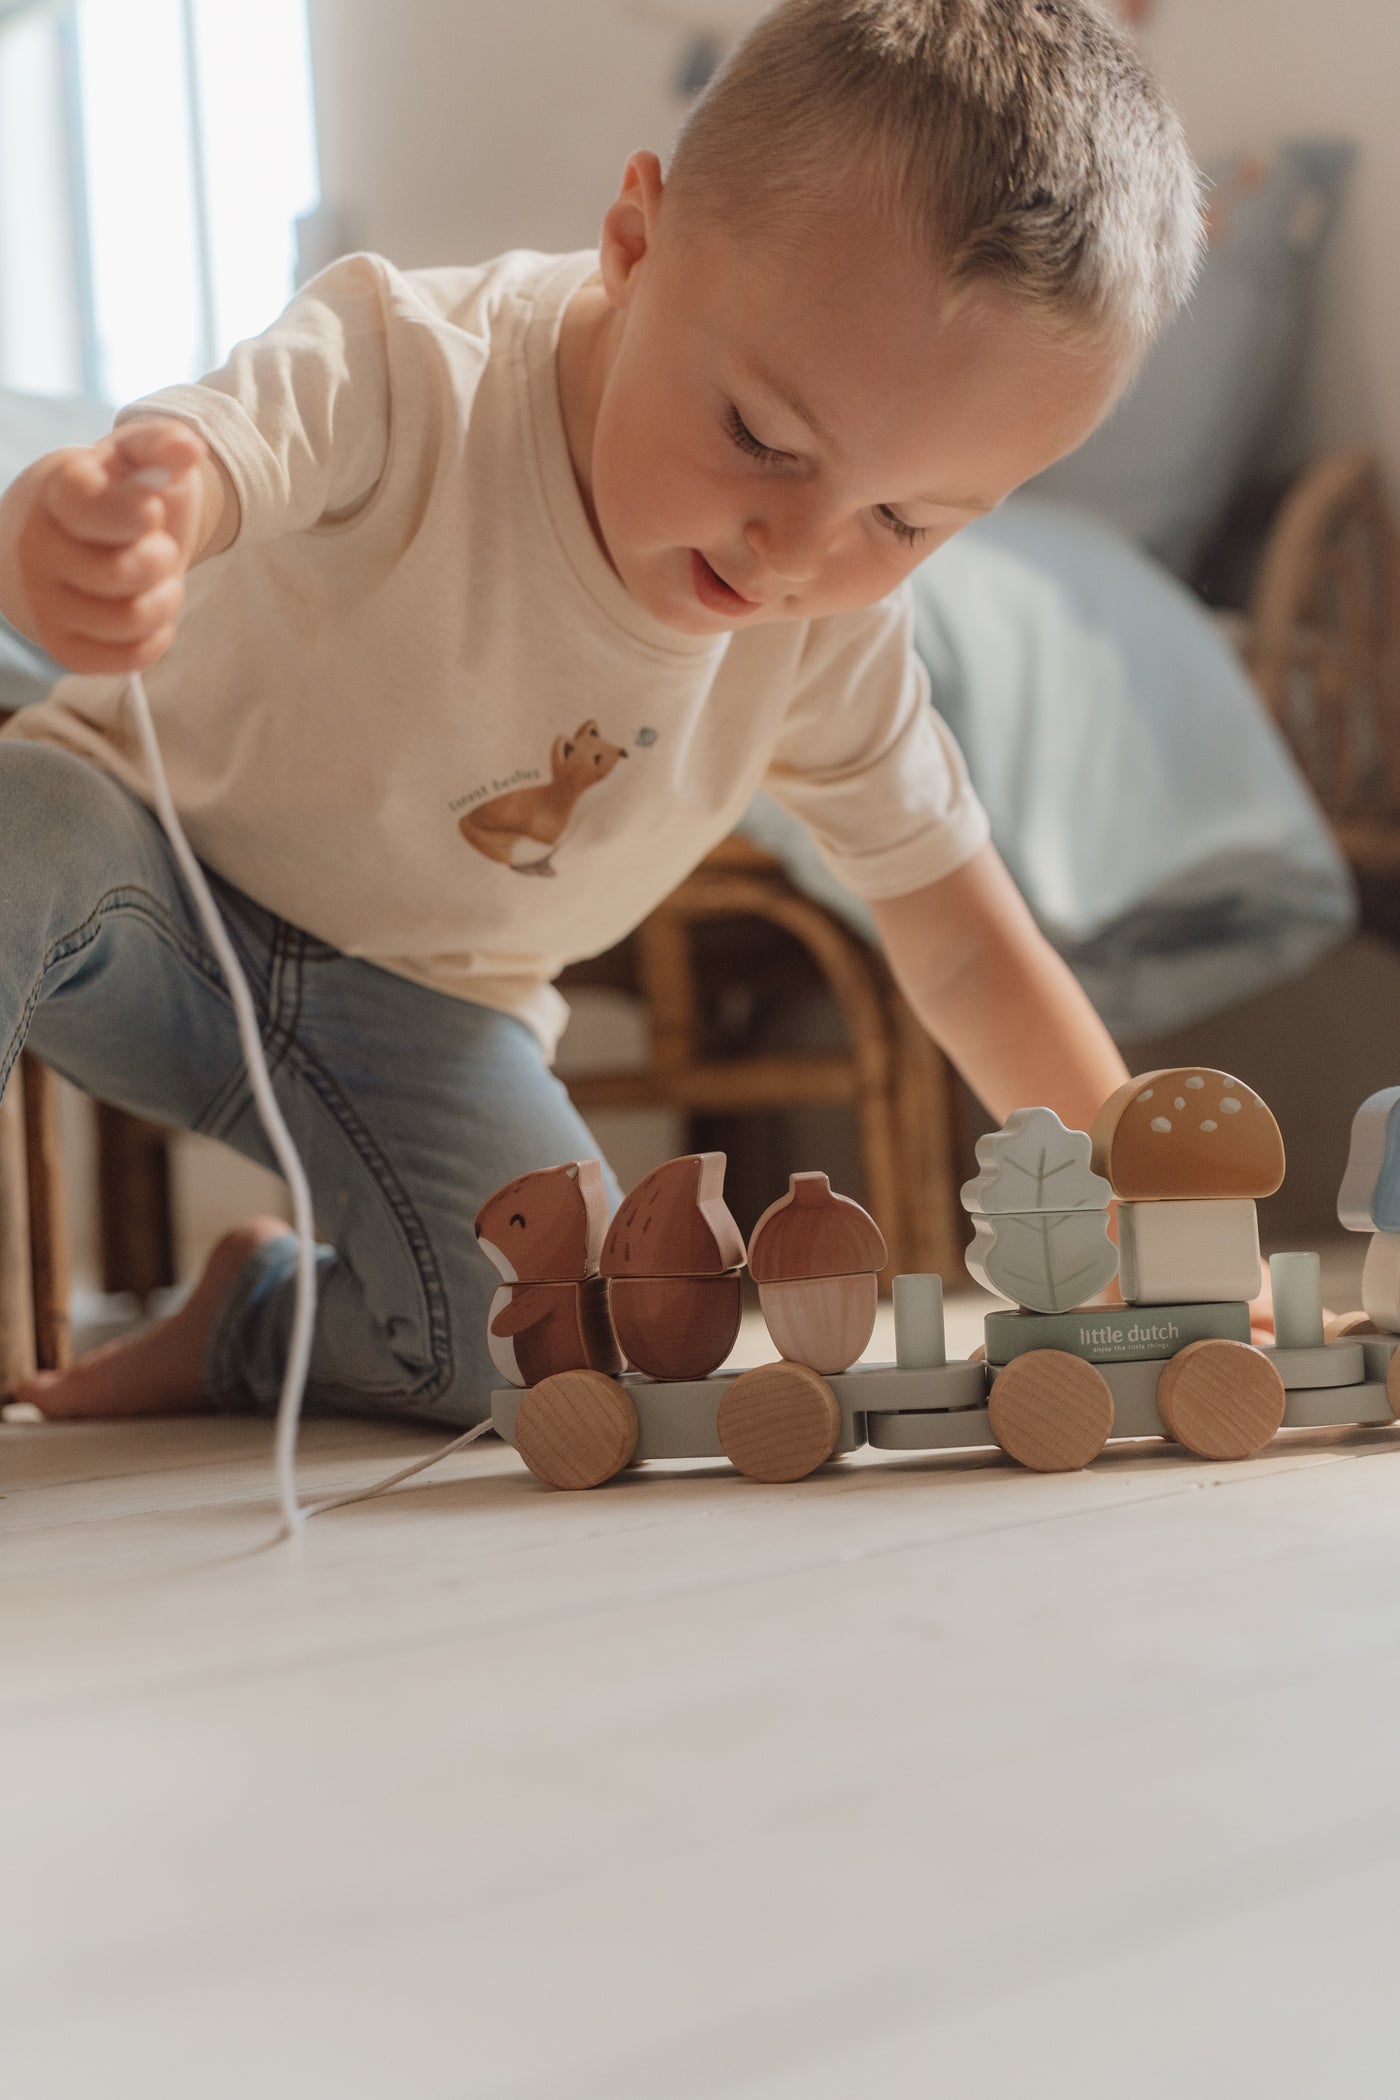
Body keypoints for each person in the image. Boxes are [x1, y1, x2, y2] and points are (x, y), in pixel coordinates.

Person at [0, 0, 1203, 1425]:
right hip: (136, 886)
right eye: (761, 436)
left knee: (565, 1348)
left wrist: (1152, 1223)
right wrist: (80, 534)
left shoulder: (831, 635)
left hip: (433, 1007)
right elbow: (199, 459)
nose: (793, 551)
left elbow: (961, 944)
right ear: (632, 241)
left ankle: (252, 1326)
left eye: (901, 518)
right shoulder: (411, 360)